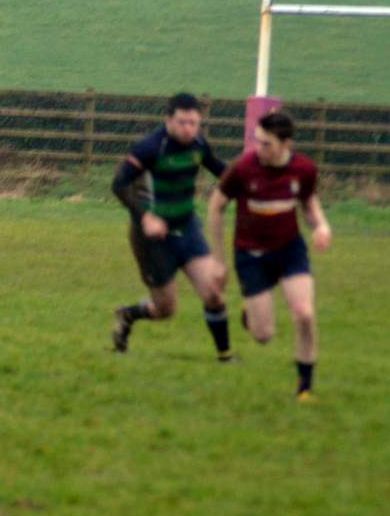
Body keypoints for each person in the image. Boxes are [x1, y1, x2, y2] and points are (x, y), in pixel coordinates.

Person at [207, 111, 332, 400]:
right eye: (257, 141)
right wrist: (219, 260)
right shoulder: (243, 168)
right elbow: (215, 207)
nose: (259, 149)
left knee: (305, 313)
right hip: (251, 256)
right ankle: (251, 312)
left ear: (286, 144)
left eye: (267, 144)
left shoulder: (303, 169)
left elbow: (309, 204)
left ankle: (304, 388)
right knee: (263, 335)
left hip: (290, 251)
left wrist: (321, 226)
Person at [110, 92, 232, 361]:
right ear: (168, 120)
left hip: (187, 230)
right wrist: (146, 218)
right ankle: (128, 315)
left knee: (213, 293)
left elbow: (222, 171)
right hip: (152, 240)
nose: (188, 129)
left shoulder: (199, 145)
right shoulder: (150, 148)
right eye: (182, 122)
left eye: (193, 123)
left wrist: (253, 184)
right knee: (166, 309)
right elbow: (118, 184)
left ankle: (225, 357)